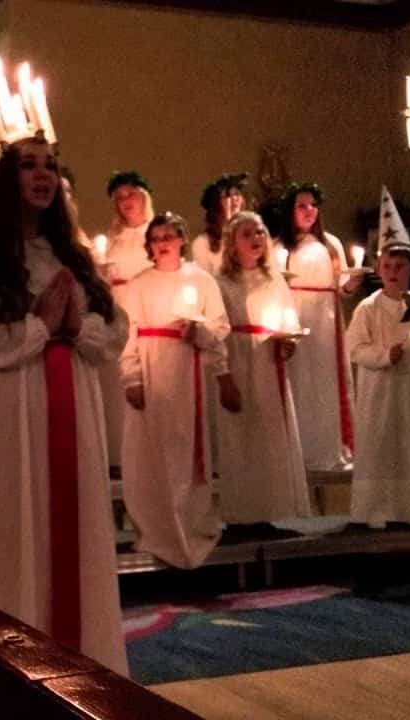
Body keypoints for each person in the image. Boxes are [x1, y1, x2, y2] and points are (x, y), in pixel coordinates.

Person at [0, 136, 129, 674]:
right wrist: (37, 328)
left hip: (73, 407)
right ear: (7, 181)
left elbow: (116, 329)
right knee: (17, 532)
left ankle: (92, 668)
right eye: (28, 166)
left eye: (50, 166)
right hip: (8, 411)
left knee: (79, 536)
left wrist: (76, 327)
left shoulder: (76, 257)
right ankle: (23, 671)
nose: (42, 175)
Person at [120, 213, 229, 568]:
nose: (163, 242)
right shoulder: (138, 285)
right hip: (151, 372)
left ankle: (189, 523)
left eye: (169, 235)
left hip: (186, 372)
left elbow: (220, 326)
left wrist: (199, 332)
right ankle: (153, 529)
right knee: (148, 454)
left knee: (185, 453)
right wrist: (132, 377)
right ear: (149, 245)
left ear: (182, 239)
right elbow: (128, 333)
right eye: (156, 238)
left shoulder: (201, 281)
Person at [213, 211, 312, 526]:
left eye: (259, 233)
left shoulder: (274, 280)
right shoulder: (221, 282)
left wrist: (289, 343)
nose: (255, 239)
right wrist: (224, 376)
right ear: (232, 243)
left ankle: (274, 508)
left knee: (269, 435)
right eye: (246, 234)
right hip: (237, 358)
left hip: (268, 363)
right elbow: (217, 331)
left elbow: (288, 319)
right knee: (239, 435)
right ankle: (241, 512)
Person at [345, 234, 410, 528]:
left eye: (399, 266)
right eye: (387, 265)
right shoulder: (368, 308)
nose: (392, 272)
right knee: (381, 446)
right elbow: (355, 348)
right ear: (378, 268)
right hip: (380, 392)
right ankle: (375, 511)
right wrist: (385, 355)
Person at [276, 182, 361, 472]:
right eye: (301, 205)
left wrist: (349, 285)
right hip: (296, 314)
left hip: (326, 320)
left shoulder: (331, 245)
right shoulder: (280, 247)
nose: (309, 211)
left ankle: (330, 446)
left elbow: (340, 285)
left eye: (313, 205)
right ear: (290, 211)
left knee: (326, 382)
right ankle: (297, 448)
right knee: (299, 381)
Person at [97, 171, 154, 471]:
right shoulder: (114, 241)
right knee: (116, 387)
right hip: (117, 316)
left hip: (146, 316)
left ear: (143, 196)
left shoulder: (155, 235)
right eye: (119, 198)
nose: (125, 202)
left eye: (130, 195)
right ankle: (119, 456)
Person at [191, 173, 248, 276]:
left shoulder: (250, 236)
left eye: (237, 194)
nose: (234, 199)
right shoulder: (203, 243)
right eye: (227, 196)